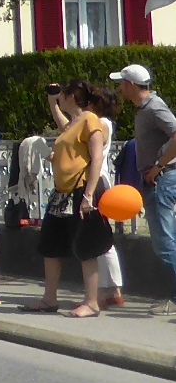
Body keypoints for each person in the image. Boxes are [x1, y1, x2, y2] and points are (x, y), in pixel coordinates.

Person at [22, 80, 108, 317]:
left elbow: (96, 158)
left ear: (71, 96)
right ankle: (49, 298)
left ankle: (91, 302)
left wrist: (89, 195)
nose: (60, 98)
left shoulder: (90, 120)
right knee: (50, 245)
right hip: (63, 192)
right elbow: (64, 128)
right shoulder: (74, 124)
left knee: (85, 246)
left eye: (62, 95)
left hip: (81, 190)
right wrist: (52, 104)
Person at [111, 63, 176, 316]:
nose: (120, 88)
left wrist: (159, 165)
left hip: (162, 180)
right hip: (159, 178)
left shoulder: (154, 108)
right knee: (168, 240)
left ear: (130, 85)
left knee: (165, 242)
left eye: (121, 83)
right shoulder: (146, 109)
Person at [86, 87, 125, 308]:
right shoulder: (106, 123)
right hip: (102, 179)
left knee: (99, 237)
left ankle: (105, 290)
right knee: (101, 236)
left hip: (97, 179)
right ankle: (112, 289)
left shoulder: (101, 123)